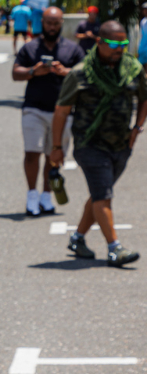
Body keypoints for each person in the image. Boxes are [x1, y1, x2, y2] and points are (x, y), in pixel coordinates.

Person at [50, 20, 147, 267]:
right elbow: (61, 111)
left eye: (124, 43)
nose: (120, 49)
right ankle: (115, 249)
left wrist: (137, 128)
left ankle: (77, 238)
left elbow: (144, 98)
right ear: (99, 42)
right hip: (89, 144)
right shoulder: (81, 72)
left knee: (98, 194)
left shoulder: (132, 69)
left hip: (121, 144)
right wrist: (57, 147)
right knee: (103, 195)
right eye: (114, 44)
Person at [12, 7, 86, 216]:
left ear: (61, 23)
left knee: (53, 155)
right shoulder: (31, 47)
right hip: (34, 108)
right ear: (42, 23)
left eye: (56, 23)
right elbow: (16, 73)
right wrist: (34, 71)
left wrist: (66, 72)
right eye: (48, 23)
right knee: (32, 152)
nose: (52, 27)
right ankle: (32, 194)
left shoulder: (72, 49)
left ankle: (46, 194)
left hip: (62, 111)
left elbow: (84, 74)